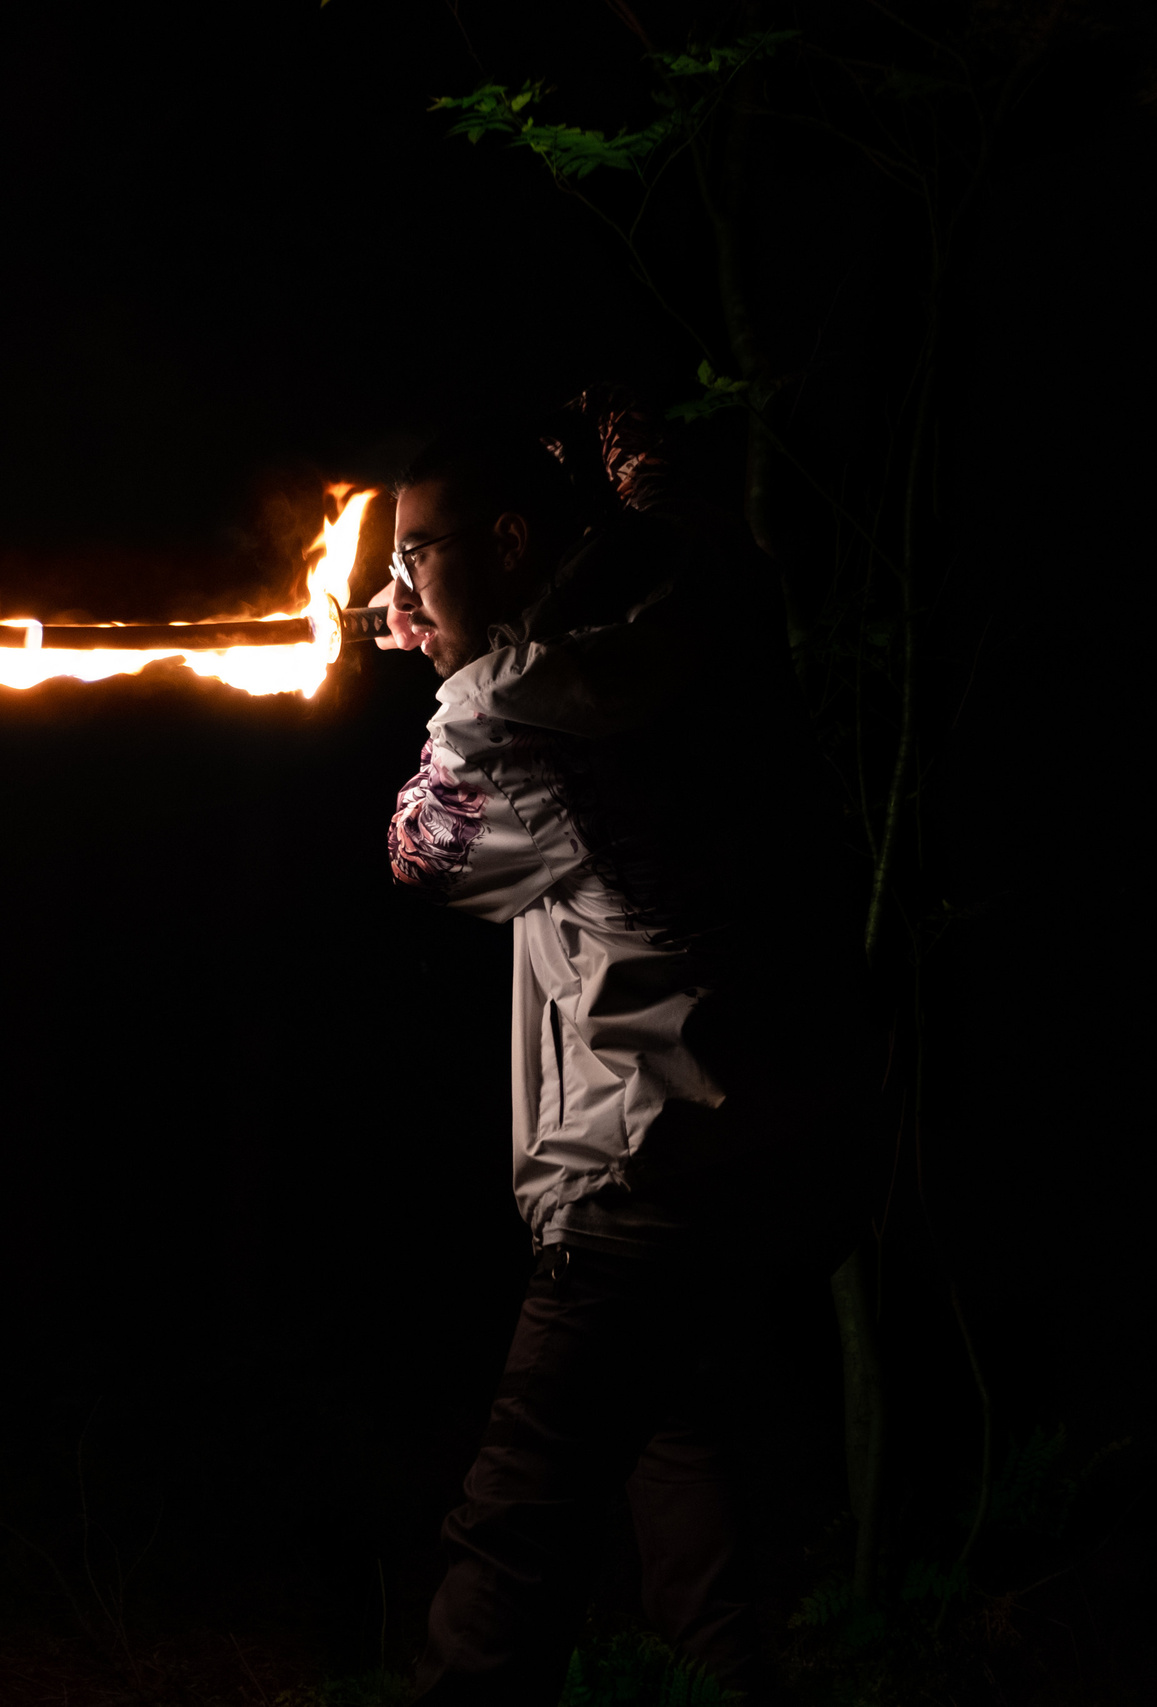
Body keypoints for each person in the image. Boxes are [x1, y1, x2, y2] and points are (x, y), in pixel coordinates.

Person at [382, 395, 868, 1706]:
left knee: (509, 1547)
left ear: (511, 540)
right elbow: (701, 564)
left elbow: (422, 853)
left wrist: (451, 669)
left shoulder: (525, 709)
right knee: (693, 1494)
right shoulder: (711, 623)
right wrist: (651, 495)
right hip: (762, 1160)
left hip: (634, 1188)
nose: (399, 591)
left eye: (419, 554)